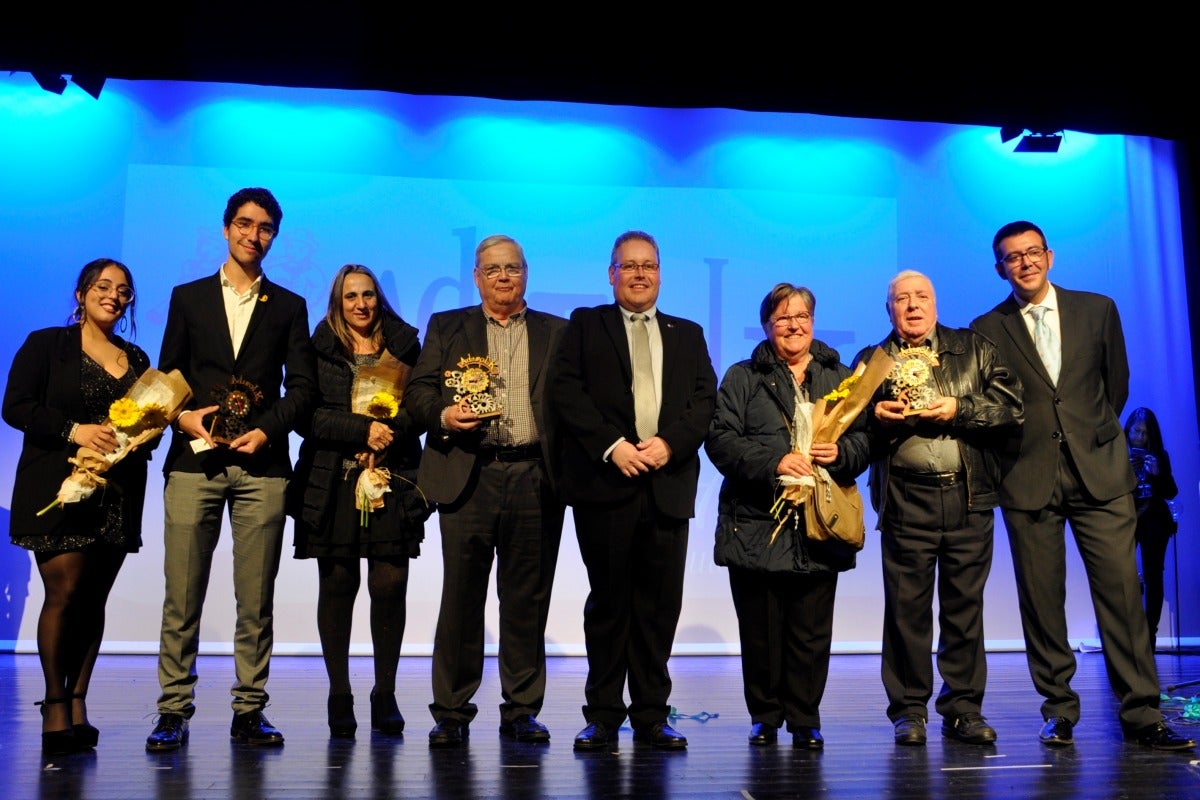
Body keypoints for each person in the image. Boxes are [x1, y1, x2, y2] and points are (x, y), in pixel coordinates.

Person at [971, 220, 1195, 751]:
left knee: (1121, 594)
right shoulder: (987, 327)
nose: (1023, 263)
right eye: (1011, 257)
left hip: (1100, 473)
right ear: (999, 268)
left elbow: (1115, 386)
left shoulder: (1098, 309)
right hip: (1028, 478)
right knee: (1043, 603)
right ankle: (1059, 711)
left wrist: (1089, 437)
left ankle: (1142, 712)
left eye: (1032, 253)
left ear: (1050, 256)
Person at [145, 187, 317, 752]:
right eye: (244, 224)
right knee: (183, 593)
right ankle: (174, 709)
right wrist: (184, 416)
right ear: (225, 229)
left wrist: (268, 428)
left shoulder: (289, 306)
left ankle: (249, 709)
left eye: (265, 227)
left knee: (256, 596)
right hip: (194, 464)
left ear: (274, 236)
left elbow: (304, 390)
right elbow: (167, 376)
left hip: (262, 466)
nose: (253, 234)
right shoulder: (188, 297)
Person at [549, 230, 717, 751]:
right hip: (607, 485)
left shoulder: (686, 333)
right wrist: (612, 446)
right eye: (629, 265)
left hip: (666, 486)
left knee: (658, 607)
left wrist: (669, 444)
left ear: (660, 273)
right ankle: (602, 715)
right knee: (609, 605)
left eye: (649, 265)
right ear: (611, 273)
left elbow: (703, 400)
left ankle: (650, 714)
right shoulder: (585, 324)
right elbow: (565, 391)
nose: (640, 274)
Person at [405, 234, 566, 747]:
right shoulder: (448, 326)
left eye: (512, 269)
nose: (503, 277)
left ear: (526, 274)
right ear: (476, 276)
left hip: (535, 477)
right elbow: (420, 392)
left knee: (526, 599)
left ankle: (521, 709)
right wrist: (445, 416)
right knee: (461, 597)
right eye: (492, 269)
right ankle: (451, 710)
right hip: (469, 472)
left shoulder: (556, 332)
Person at [704, 282, 870, 750]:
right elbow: (720, 440)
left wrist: (840, 452)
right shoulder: (742, 377)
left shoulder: (842, 377)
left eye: (802, 316)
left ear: (813, 323)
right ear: (767, 326)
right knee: (760, 630)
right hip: (756, 522)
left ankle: (805, 717)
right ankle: (765, 715)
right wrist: (775, 462)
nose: (794, 325)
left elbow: (865, 440)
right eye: (783, 318)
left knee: (811, 631)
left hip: (819, 522)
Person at [863, 270, 1022, 747]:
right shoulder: (872, 361)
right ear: (888, 309)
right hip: (906, 498)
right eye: (901, 299)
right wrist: (875, 418)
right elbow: (848, 431)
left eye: (921, 297)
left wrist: (958, 408)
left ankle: (963, 708)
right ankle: (909, 710)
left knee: (964, 609)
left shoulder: (973, 348)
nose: (912, 306)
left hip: (967, 495)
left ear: (935, 302)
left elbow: (1012, 405)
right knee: (906, 610)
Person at [4, 259, 151, 757]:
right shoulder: (47, 344)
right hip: (59, 487)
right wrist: (76, 431)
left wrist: (141, 438)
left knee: (93, 601)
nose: (113, 295)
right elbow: (16, 406)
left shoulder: (136, 358)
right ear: (82, 292)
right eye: (104, 286)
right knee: (64, 592)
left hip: (116, 494)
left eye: (124, 291)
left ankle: (79, 701)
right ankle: (53, 703)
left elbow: (145, 427)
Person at [288, 264, 429, 738]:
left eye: (368, 295)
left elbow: (422, 405)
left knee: (390, 584)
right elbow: (306, 415)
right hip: (333, 481)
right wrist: (361, 429)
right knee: (338, 584)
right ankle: (339, 692)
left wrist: (390, 432)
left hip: (393, 476)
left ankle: (384, 691)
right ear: (337, 302)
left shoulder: (407, 345)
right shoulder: (319, 346)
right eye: (351, 297)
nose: (361, 304)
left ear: (379, 298)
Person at [1123, 407, 1179, 645]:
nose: (1140, 437)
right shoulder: (1118, 455)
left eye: (1146, 433)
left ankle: (1149, 636)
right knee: (1123, 576)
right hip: (1126, 520)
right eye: (1137, 431)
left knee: (1153, 576)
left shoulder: (1159, 456)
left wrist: (1157, 473)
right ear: (1128, 430)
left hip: (1155, 521)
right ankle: (1128, 634)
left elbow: (1171, 492)